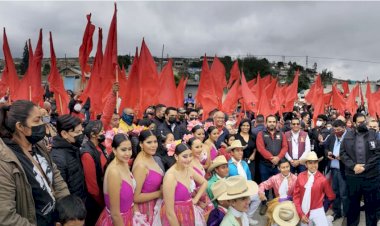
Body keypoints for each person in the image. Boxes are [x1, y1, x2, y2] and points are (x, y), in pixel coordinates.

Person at [0, 100, 69, 225]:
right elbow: (6, 217)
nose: (42, 124)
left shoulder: (38, 146)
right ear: (20, 126)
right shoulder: (5, 161)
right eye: (37, 121)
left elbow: (55, 175)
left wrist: (67, 211)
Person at [96, 133, 148, 226]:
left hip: (129, 216)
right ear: (114, 150)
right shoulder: (114, 172)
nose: (128, 153)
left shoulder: (124, 163)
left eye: (129, 149)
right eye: (123, 150)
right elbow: (115, 214)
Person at [340, 113, 380, 226]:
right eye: (359, 122)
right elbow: (342, 153)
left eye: (364, 122)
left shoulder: (373, 134)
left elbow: (377, 154)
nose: (362, 124)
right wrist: (353, 166)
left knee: (371, 206)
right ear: (354, 123)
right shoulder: (347, 135)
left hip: (370, 176)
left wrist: (364, 167)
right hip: (353, 176)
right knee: (353, 206)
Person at [159, 143, 208, 225]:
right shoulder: (170, 177)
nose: (189, 159)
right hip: (175, 215)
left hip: (189, 211)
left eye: (190, 155)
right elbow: (170, 212)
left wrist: (195, 199)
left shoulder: (189, 169)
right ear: (176, 157)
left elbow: (204, 182)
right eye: (185, 156)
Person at [256, 115, 288, 215]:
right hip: (265, 165)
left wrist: (278, 157)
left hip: (278, 164)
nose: (272, 123)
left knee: (278, 186)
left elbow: (285, 147)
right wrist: (271, 158)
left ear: (277, 123)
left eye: (274, 121)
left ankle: (276, 204)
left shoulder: (281, 134)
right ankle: (264, 204)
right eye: (270, 121)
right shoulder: (261, 134)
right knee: (265, 185)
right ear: (266, 123)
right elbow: (261, 148)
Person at [293, 152, 335, 226]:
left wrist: (323, 209)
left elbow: (331, 196)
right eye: (310, 163)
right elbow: (296, 196)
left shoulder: (323, 179)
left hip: (317, 210)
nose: (313, 165)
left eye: (315, 162)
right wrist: (301, 214)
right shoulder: (300, 176)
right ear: (306, 164)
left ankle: (326, 219)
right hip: (303, 210)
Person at [51, 115, 87, 202]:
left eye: (81, 131)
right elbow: (60, 192)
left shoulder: (73, 147)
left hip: (81, 199)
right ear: (64, 134)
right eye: (77, 132)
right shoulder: (58, 159)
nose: (81, 135)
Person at [132, 130, 164, 225]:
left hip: (156, 205)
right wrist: (159, 193)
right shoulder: (141, 166)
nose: (153, 145)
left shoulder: (150, 156)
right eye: (149, 142)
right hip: (145, 211)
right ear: (141, 144)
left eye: (155, 142)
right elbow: (135, 197)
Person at [80, 120, 108, 226]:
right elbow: (92, 187)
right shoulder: (87, 154)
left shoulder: (100, 146)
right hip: (95, 202)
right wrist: (102, 202)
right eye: (101, 131)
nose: (104, 132)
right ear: (93, 134)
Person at [258, 159, 297, 226]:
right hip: (278, 201)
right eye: (283, 167)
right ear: (279, 168)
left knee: (289, 220)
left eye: (287, 167)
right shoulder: (275, 178)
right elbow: (263, 184)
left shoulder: (295, 178)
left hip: (291, 203)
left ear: (290, 167)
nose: (286, 169)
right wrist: (261, 192)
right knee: (274, 223)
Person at [324, 119, 348, 222]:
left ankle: (347, 214)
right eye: (335, 130)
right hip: (334, 169)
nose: (336, 132)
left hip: (344, 170)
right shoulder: (332, 137)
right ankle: (337, 212)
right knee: (335, 192)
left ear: (344, 128)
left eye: (338, 130)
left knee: (344, 193)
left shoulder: (349, 137)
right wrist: (328, 153)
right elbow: (325, 147)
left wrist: (342, 158)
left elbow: (353, 153)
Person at [188, 137, 213, 217]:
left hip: (203, 195)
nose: (200, 149)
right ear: (190, 148)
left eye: (201, 146)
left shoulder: (197, 159)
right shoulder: (188, 164)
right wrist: (198, 201)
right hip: (197, 198)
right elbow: (189, 187)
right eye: (197, 147)